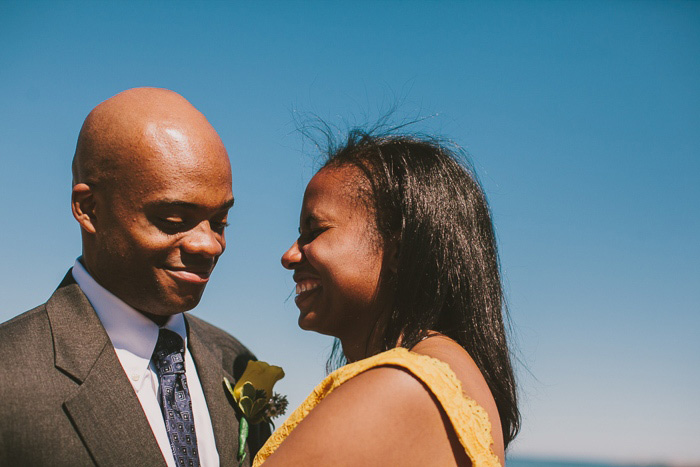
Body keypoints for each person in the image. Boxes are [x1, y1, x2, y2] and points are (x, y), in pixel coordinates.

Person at [0, 88, 268, 467]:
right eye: (173, 220)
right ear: (89, 209)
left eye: (221, 222)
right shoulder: (9, 376)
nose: (210, 245)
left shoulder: (236, 362)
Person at [256, 130, 519, 466]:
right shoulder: (443, 374)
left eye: (316, 231)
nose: (290, 255)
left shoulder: (402, 386)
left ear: (398, 250)